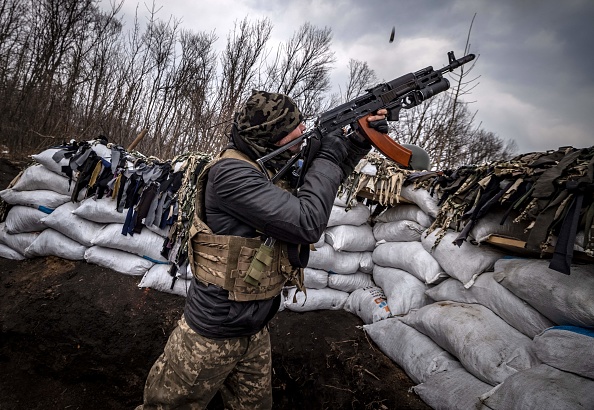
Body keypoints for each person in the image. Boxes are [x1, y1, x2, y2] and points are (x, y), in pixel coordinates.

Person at [136, 90, 388, 409]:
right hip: (210, 336)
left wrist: (355, 143)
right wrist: (328, 154)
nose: (302, 132)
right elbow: (307, 221)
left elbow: (321, 184)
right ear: (268, 137)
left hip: (254, 331)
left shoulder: (270, 168)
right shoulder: (230, 174)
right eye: (291, 129)